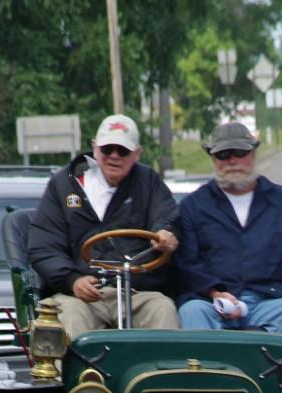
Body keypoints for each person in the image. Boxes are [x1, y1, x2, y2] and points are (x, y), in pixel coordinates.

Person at [173, 121, 282, 349]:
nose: (232, 161)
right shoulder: (193, 206)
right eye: (223, 154)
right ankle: (204, 383)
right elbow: (187, 263)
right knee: (191, 311)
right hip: (214, 302)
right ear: (212, 158)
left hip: (272, 300)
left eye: (240, 153)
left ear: (253, 153)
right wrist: (215, 292)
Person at [28, 114, 180, 337]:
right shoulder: (63, 184)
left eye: (123, 150)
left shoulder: (148, 182)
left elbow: (167, 217)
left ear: (137, 153)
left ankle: (160, 372)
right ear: (94, 148)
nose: (114, 156)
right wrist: (72, 280)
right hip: (79, 295)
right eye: (107, 149)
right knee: (66, 315)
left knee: (162, 308)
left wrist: (166, 233)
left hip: (136, 291)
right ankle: (77, 373)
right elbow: (43, 245)